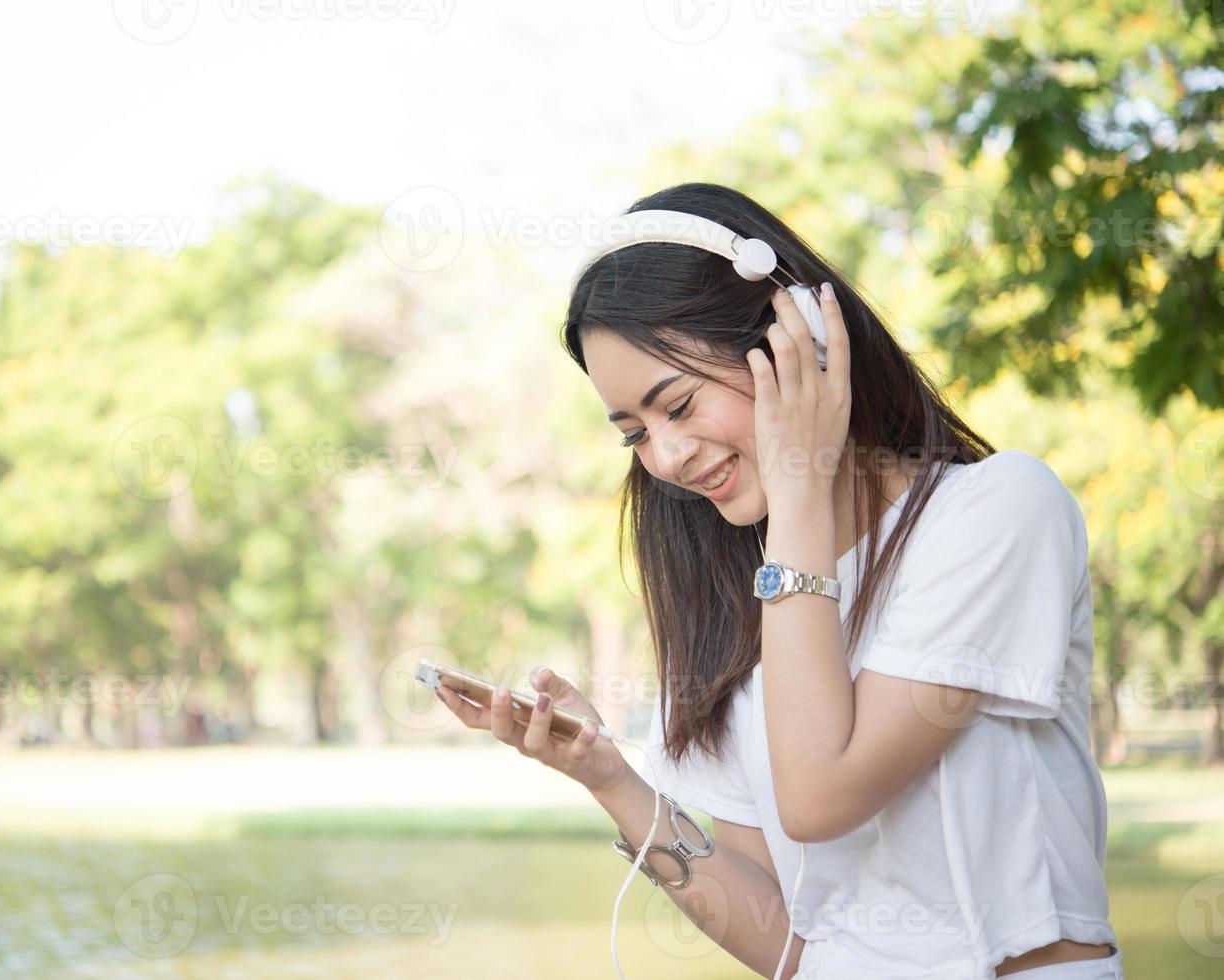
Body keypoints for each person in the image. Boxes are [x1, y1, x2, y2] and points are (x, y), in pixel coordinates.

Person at [433, 182, 1122, 978]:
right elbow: (789, 944)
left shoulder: (997, 512)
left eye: (680, 406)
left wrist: (799, 484)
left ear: (798, 340)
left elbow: (819, 796)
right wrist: (610, 778)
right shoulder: (739, 600)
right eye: (635, 436)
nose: (666, 458)